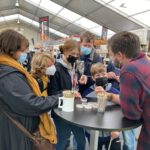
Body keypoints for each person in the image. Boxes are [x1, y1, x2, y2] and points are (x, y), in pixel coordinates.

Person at [0, 29, 60, 150]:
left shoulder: (9, 69)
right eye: (23, 50)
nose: (26, 53)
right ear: (11, 49)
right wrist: (59, 98)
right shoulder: (9, 75)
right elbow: (30, 104)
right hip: (16, 133)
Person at [96, 31, 150, 150]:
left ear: (120, 55)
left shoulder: (129, 70)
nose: (111, 59)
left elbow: (132, 115)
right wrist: (109, 96)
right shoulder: (146, 62)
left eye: (111, 55)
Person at [47, 39, 86, 150]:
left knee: (81, 140)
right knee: (63, 139)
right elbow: (52, 93)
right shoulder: (56, 69)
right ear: (64, 51)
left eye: (77, 54)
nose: (75, 56)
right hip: (61, 110)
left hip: (76, 109)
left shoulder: (75, 67)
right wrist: (70, 93)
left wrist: (83, 81)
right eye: (72, 53)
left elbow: (75, 86)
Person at [83, 63, 121, 150]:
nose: (101, 77)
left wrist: (117, 130)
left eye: (103, 74)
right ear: (92, 78)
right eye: (97, 75)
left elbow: (120, 112)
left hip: (112, 132)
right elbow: (84, 114)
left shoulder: (114, 92)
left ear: (107, 75)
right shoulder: (87, 93)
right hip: (93, 133)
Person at [79, 31, 119, 95]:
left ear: (93, 45)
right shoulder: (76, 55)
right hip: (78, 87)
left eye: (89, 46)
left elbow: (98, 75)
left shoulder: (96, 58)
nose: (87, 47)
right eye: (85, 45)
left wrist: (88, 78)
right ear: (80, 43)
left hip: (91, 89)